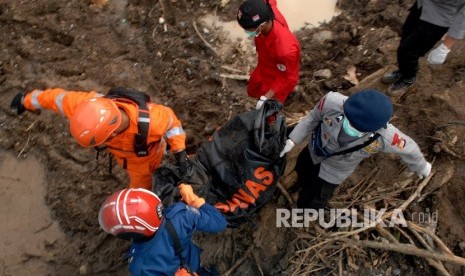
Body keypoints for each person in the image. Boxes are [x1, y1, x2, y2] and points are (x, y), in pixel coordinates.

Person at [10, 87, 188, 190]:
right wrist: (26, 100)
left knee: (141, 191)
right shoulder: (86, 107)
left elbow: (173, 124)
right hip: (127, 156)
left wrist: (179, 151)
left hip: (143, 160)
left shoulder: (152, 123)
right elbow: (57, 99)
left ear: (110, 136)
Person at [279, 89, 432, 209]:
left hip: (333, 172)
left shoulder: (385, 136)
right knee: (302, 170)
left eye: (358, 128)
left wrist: (421, 166)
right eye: (349, 121)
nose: (350, 128)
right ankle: (299, 184)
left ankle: (303, 213)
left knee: (314, 199)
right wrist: (293, 139)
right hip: (314, 151)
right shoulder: (331, 102)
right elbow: (313, 118)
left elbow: (409, 148)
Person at [98, 185, 227, 275]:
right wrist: (193, 199)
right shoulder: (180, 215)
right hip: (192, 260)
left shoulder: (140, 265)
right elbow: (220, 223)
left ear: (130, 235)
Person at [382, 0, 465, 96]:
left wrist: (445, 47)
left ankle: (408, 78)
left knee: (409, 51)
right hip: (421, 6)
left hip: (437, 20)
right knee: (404, 41)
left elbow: (463, 19)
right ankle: (403, 71)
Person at [236, 0, 300, 108]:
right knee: (252, 90)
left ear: (261, 25)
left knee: (269, 109)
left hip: (278, 76)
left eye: (248, 29)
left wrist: (266, 97)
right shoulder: (264, 9)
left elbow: (288, 78)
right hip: (263, 66)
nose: (247, 32)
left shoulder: (285, 50)